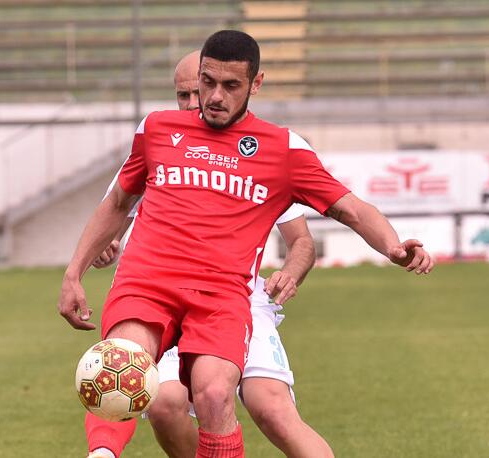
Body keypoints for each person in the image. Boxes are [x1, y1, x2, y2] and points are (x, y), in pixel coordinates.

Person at [59, 30, 434, 458]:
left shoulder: (283, 150)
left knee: (216, 395)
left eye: (231, 86)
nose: (215, 96)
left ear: (256, 84)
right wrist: (74, 272)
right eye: (207, 82)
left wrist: (392, 246)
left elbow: (350, 208)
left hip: (221, 295)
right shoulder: (158, 129)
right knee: (120, 363)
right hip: (147, 282)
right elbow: (118, 202)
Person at [83, 50, 334, 458]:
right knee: (161, 402)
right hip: (162, 295)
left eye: (197, 93)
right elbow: (115, 212)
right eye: (183, 94)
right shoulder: (160, 140)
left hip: (238, 297)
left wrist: (292, 269)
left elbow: (301, 240)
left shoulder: (263, 151)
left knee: (270, 407)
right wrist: (103, 249)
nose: (192, 104)